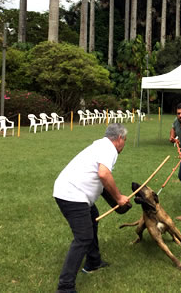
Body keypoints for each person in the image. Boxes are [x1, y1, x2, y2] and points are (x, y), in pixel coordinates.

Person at [53, 123, 131, 293]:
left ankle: (93, 262)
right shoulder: (109, 149)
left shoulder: (100, 145)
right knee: (83, 238)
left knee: (92, 218)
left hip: (71, 192)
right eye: (125, 140)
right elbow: (104, 174)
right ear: (119, 139)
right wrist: (118, 197)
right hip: (72, 195)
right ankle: (65, 287)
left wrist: (117, 204)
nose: (124, 143)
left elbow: (100, 182)